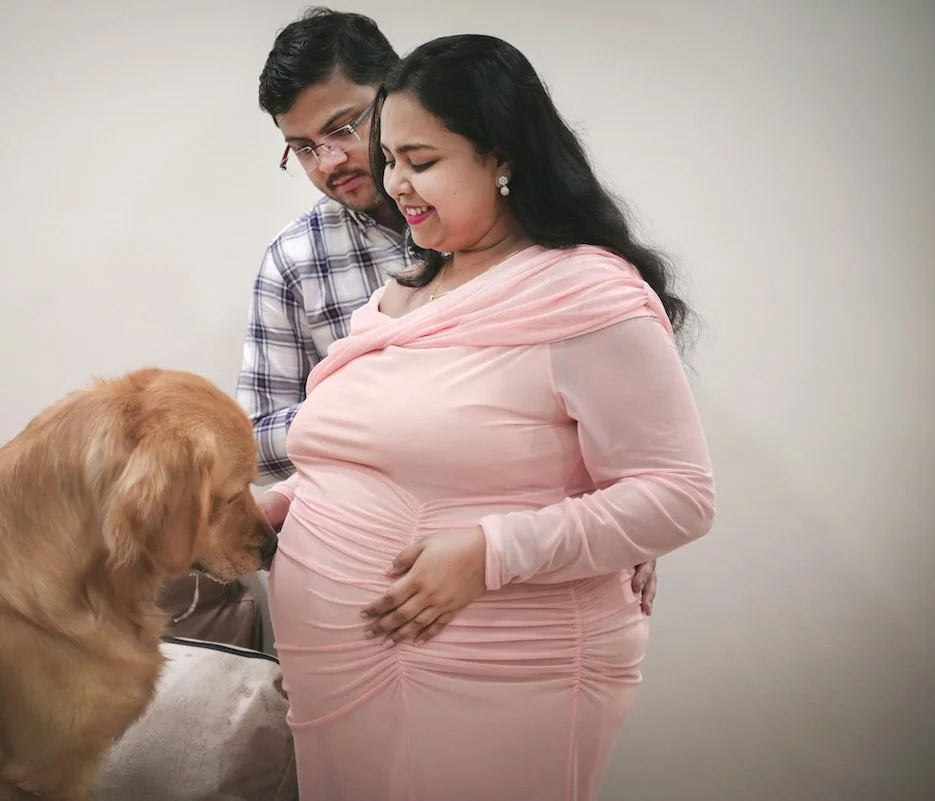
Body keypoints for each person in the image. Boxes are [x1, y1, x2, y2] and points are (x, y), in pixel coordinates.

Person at [252, 32, 717, 801]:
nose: (396, 182)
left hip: (492, 669)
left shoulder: (585, 294)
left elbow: (678, 494)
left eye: (421, 160)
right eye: (392, 159)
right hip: (337, 671)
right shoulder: (403, 290)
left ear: (502, 157)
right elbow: (375, 450)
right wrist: (293, 502)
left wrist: (491, 550)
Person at [238, 7, 660, 615]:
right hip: (359, 599)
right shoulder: (295, 260)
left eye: (343, 128)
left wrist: (626, 515)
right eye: (302, 148)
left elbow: (637, 441)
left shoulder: (541, 250)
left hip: (526, 591)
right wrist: (381, 420)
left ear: (396, 94)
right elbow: (257, 439)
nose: (328, 162)